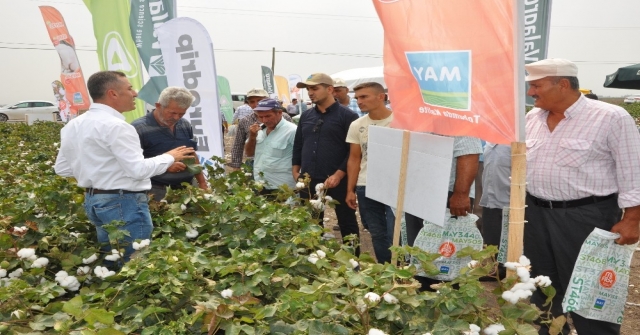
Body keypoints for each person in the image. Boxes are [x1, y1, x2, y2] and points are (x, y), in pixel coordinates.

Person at [524, 58, 640, 335]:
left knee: (589, 291)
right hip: (536, 215)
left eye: (536, 86)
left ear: (562, 84)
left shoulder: (611, 117)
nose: (531, 92)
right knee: (542, 288)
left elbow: (632, 171)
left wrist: (633, 219)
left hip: (586, 218)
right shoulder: (532, 119)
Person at [54, 71, 195, 262]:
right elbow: (138, 170)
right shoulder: (117, 126)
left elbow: (62, 168)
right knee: (133, 262)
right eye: (129, 88)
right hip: (123, 203)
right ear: (113, 93)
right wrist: (170, 157)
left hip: (94, 201)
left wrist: (100, 172)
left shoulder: (74, 125)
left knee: (112, 258)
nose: (135, 93)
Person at [405, 135, 482, 289]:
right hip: (417, 193)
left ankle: (448, 297)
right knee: (420, 247)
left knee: (446, 252)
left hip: (448, 196)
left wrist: (461, 194)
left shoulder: (458, 120)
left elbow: (469, 154)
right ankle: (422, 292)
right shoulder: (421, 118)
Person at [293, 73, 360, 249]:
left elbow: (353, 153)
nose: (310, 93)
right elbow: (299, 144)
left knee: (347, 223)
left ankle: (354, 261)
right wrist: (295, 168)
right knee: (311, 222)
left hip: (339, 178)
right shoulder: (306, 116)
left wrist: (339, 174)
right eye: (308, 89)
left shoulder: (348, 117)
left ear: (330, 89)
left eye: (314, 88)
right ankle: (315, 259)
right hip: (308, 178)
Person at [345, 82, 395, 264]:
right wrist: (350, 189)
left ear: (381, 97)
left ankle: (401, 272)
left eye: (364, 97)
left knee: (395, 232)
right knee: (377, 232)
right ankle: (384, 270)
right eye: (357, 98)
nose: (359, 101)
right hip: (366, 185)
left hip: (395, 185)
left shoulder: (399, 121)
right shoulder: (357, 125)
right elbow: (354, 158)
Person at [131, 87, 207, 200]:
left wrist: (202, 183)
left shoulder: (184, 125)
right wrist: (165, 166)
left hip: (187, 188)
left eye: (181, 114)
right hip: (156, 191)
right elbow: (133, 166)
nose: (176, 118)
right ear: (158, 106)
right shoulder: (138, 128)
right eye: (172, 113)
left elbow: (191, 154)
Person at [228, 88, 291, 171]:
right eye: (252, 102)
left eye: (259, 100)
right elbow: (238, 145)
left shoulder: (284, 117)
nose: (256, 104)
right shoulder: (245, 121)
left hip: (279, 163)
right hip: (253, 162)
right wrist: (236, 167)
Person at [245, 98, 297, 194]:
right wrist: (252, 137)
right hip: (260, 185)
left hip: (282, 187)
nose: (265, 120)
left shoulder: (292, 131)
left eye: (268, 116)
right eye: (261, 117)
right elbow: (249, 153)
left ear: (280, 113)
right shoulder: (259, 130)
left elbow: (302, 158)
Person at [478, 142, 511, 279]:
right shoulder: (489, 143)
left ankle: (508, 270)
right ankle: (498, 269)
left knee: (508, 239)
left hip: (508, 201)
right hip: (490, 199)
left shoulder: (515, 143)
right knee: (491, 238)